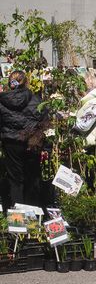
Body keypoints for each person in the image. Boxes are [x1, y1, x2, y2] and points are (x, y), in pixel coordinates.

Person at [0, 70, 47, 209]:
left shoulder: (3, 100)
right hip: (32, 142)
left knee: (15, 179)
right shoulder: (36, 100)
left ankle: (18, 216)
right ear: (26, 82)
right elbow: (44, 122)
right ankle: (32, 214)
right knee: (32, 177)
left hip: (11, 143)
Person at [73, 68, 96, 146]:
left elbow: (84, 125)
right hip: (89, 145)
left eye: (84, 80)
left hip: (92, 147)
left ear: (91, 81)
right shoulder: (94, 99)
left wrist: (68, 122)